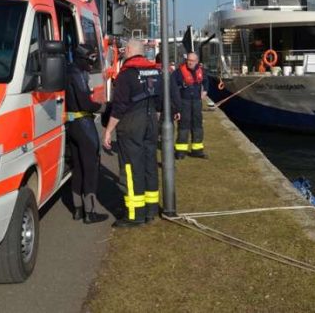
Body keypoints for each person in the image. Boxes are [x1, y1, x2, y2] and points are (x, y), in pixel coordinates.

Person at [102, 39, 170, 227]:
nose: (123, 52)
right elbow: (160, 100)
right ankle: (150, 210)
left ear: (131, 50)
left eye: (125, 50)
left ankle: (134, 214)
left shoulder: (126, 74)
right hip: (150, 121)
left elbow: (119, 107)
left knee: (131, 168)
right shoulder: (155, 71)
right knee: (149, 164)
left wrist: (108, 131)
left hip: (132, 122)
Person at [65, 45, 108, 224]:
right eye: (90, 60)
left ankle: (77, 209)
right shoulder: (77, 74)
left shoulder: (68, 71)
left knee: (78, 169)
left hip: (72, 125)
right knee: (90, 168)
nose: (92, 64)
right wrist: (103, 106)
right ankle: (90, 212)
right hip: (84, 124)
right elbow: (85, 103)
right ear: (82, 58)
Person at [172, 52, 209, 159]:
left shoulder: (201, 71)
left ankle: (197, 150)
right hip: (184, 102)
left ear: (197, 61)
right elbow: (173, 86)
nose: (190, 62)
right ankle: (180, 151)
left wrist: (205, 91)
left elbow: (206, 81)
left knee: (197, 125)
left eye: (192, 61)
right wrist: (176, 103)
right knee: (184, 126)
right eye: (188, 60)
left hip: (197, 101)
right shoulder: (178, 72)